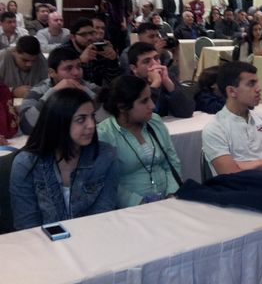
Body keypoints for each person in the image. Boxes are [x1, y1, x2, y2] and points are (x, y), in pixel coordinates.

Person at [10, 88, 118, 230]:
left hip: (92, 236)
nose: (92, 125)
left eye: (92, 117)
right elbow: (27, 225)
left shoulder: (105, 155)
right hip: (43, 240)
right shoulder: (26, 163)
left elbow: (104, 212)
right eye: (81, 119)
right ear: (58, 123)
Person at [201, 61, 262, 176]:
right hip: (239, 187)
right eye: (251, 84)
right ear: (231, 91)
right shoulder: (214, 129)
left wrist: (257, 164)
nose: (259, 89)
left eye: (257, 83)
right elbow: (231, 176)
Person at [98, 75, 182, 208]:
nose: (152, 105)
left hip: (169, 202)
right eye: (144, 101)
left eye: (150, 98)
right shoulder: (104, 134)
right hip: (130, 209)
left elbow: (172, 162)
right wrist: (139, 203)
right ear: (122, 107)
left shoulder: (155, 121)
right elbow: (107, 182)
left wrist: (171, 194)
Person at [19, 47, 100, 135]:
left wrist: (87, 92)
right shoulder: (39, 91)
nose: (76, 72)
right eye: (68, 68)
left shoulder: (89, 88)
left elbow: (106, 121)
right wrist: (52, 93)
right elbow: (26, 126)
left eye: (79, 66)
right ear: (52, 73)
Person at [127, 42, 194, 118]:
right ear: (134, 68)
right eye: (147, 61)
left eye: (156, 58)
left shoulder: (166, 77)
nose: (155, 64)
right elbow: (137, 117)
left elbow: (187, 112)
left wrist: (169, 84)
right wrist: (155, 84)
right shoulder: (127, 85)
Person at [63, 18, 122, 86]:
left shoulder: (99, 47)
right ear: (72, 37)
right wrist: (80, 62)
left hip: (97, 90)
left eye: (91, 33)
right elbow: (65, 82)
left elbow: (113, 80)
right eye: (83, 34)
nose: (89, 37)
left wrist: (113, 60)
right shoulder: (64, 52)